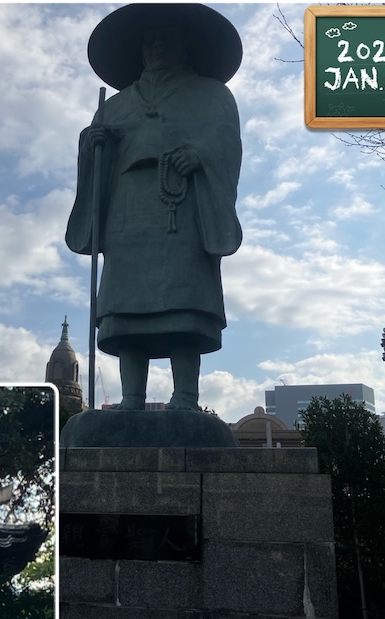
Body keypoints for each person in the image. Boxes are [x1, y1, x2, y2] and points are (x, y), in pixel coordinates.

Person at [65, 4, 242, 412]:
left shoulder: (211, 95)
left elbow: (225, 142)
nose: (158, 46)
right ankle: (131, 398)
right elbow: (97, 157)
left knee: (183, 302)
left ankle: (186, 396)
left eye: (167, 38)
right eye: (151, 40)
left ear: (185, 46)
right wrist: (93, 146)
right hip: (127, 210)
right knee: (126, 306)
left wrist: (199, 154)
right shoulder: (114, 106)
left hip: (181, 208)